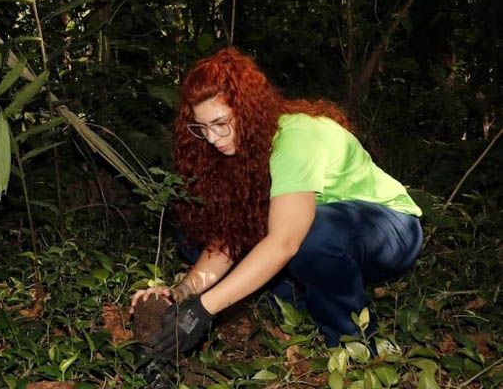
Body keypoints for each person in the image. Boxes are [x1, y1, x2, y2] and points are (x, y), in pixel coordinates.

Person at [131, 47, 423, 357]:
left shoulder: (296, 138)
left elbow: (285, 241)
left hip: (391, 228)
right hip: (329, 235)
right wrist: (183, 292)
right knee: (197, 238)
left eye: (220, 123)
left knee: (311, 236)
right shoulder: (239, 149)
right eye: (202, 129)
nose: (213, 139)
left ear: (247, 109)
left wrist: (203, 310)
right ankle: (303, 306)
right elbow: (230, 238)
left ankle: (358, 344)